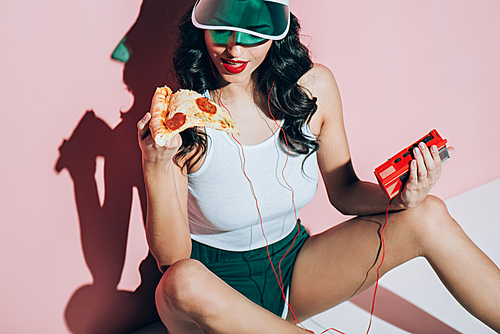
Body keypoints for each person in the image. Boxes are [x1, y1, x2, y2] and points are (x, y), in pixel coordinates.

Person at [137, 0, 500, 332]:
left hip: (296, 269)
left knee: (429, 213)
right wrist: (155, 162)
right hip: (212, 295)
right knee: (180, 280)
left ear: (277, 31)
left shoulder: (313, 89)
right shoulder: (180, 117)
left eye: (253, 33)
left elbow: (344, 192)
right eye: (221, 30)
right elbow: (172, 258)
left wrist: (405, 198)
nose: (234, 49)